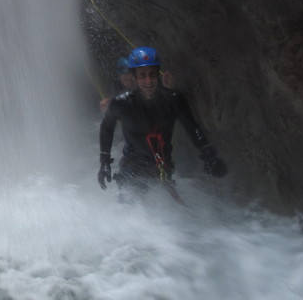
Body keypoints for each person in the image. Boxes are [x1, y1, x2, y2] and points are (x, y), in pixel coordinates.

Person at [97, 46, 227, 195]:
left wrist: (207, 152)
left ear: (157, 74)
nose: (148, 81)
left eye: (152, 75)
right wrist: (104, 163)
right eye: (142, 75)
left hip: (162, 165)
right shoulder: (121, 103)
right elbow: (106, 128)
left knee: (164, 206)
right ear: (134, 76)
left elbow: (192, 127)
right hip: (132, 167)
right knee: (131, 206)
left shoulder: (173, 99)